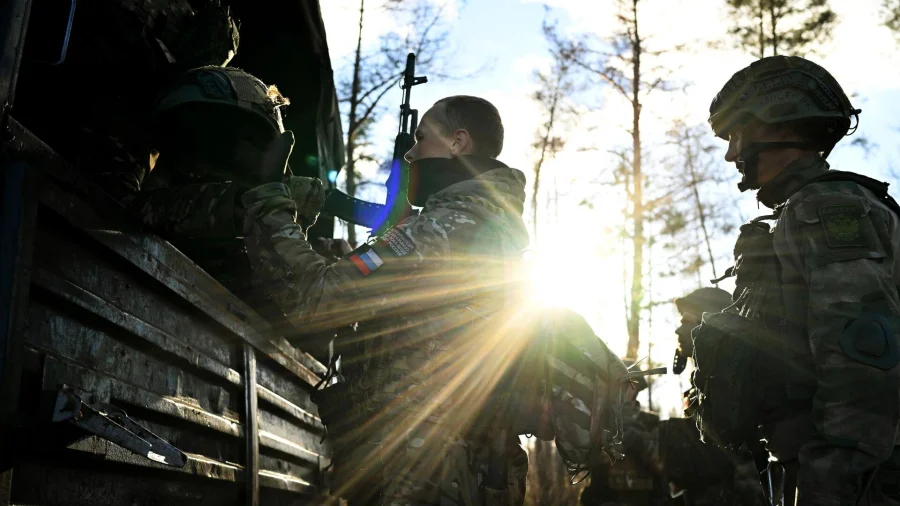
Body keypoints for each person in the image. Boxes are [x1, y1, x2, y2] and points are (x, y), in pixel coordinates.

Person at [237, 95, 630, 505]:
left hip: (426, 471)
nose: (411, 153)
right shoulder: (484, 225)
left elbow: (316, 298)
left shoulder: (441, 230)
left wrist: (268, 199)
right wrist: (327, 200)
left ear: (458, 142)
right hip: (468, 469)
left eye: (421, 138)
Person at [693, 55, 900, 505]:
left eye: (735, 135)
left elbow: (863, 358)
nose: (731, 154)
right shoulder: (804, 210)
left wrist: (831, 482)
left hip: (858, 476)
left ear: (777, 123)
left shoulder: (828, 207)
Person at [128, 66, 324, 301]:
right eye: (227, 141)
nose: (244, 152)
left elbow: (306, 301)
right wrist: (250, 203)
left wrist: (283, 213)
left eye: (254, 141)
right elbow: (128, 207)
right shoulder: (144, 190)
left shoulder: (245, 244)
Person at [581, 363, 668, 506]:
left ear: (637, 388)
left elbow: (664, 466)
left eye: (630, 383)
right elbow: (586, 461)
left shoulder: (652, 423)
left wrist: (642, 444)